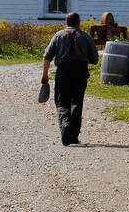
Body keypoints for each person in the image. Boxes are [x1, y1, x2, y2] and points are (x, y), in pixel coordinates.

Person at [40, 12, 98, 146]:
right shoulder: (86, 37)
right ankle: (73, 136)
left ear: (66, 22)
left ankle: (65, 123)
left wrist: (44, 75)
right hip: (80, 71)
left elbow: (47, 56)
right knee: (77, 102)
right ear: (78, 22)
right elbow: (95, 59)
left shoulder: (58, 35)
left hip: (63, 71)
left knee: (62, 101)